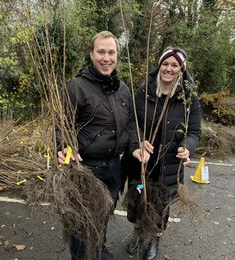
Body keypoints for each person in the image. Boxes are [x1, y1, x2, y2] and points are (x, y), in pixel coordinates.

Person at [56, 31, 149, 260]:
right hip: (85, 169)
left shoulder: (123, 89)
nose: (106, 58)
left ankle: (98, 248)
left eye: (111, 52)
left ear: (117, 55)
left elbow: (129, 126)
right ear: (91, 54)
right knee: (81, 221)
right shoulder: (77, 87)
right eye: (101, 52)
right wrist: (64, 146)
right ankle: (81, 256)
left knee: (104, 213)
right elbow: (62, 125)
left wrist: (135, 147)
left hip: (113, 169)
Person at [122, 47, 201, 260]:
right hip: (142, 165)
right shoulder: (143, 92)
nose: (169, 68)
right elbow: (132, 123)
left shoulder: (189, 99)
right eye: (165, 64)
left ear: (181, 70)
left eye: (174, 65)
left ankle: (154, 238)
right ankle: (139, 232)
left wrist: (188, 146)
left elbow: (194, 131)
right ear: (159, 66)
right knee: (138, 200)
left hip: (168, 169)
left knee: (161, 207)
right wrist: (139, 141)